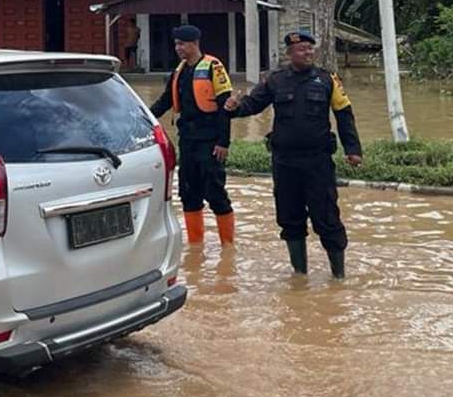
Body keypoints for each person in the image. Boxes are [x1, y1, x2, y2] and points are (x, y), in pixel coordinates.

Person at [224, 29, 362, 279]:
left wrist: (353, 150)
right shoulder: (275, 81)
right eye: (301, 49)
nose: (308, 53)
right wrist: (235, 108)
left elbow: (344, 115)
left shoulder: (327, 79)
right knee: (290, 219)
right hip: (285, 164)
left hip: (318, 163)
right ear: (289, 54)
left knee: (327, 219)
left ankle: (339, 277)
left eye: (310, 48)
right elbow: (253, 104)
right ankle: (300, 276)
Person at [149, 24, 235, 246]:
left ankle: (228, 247)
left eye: (182, 44)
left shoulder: (213, 67)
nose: (178, 48)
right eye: (176, 44)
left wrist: (223, 142)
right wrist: (145, 117)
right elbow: (165, 101)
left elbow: (225, 106)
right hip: (187, 141)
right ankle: (196, 248)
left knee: (216, 194)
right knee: (189, 195)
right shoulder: (178, 71)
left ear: (195, 43)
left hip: (210, 142)